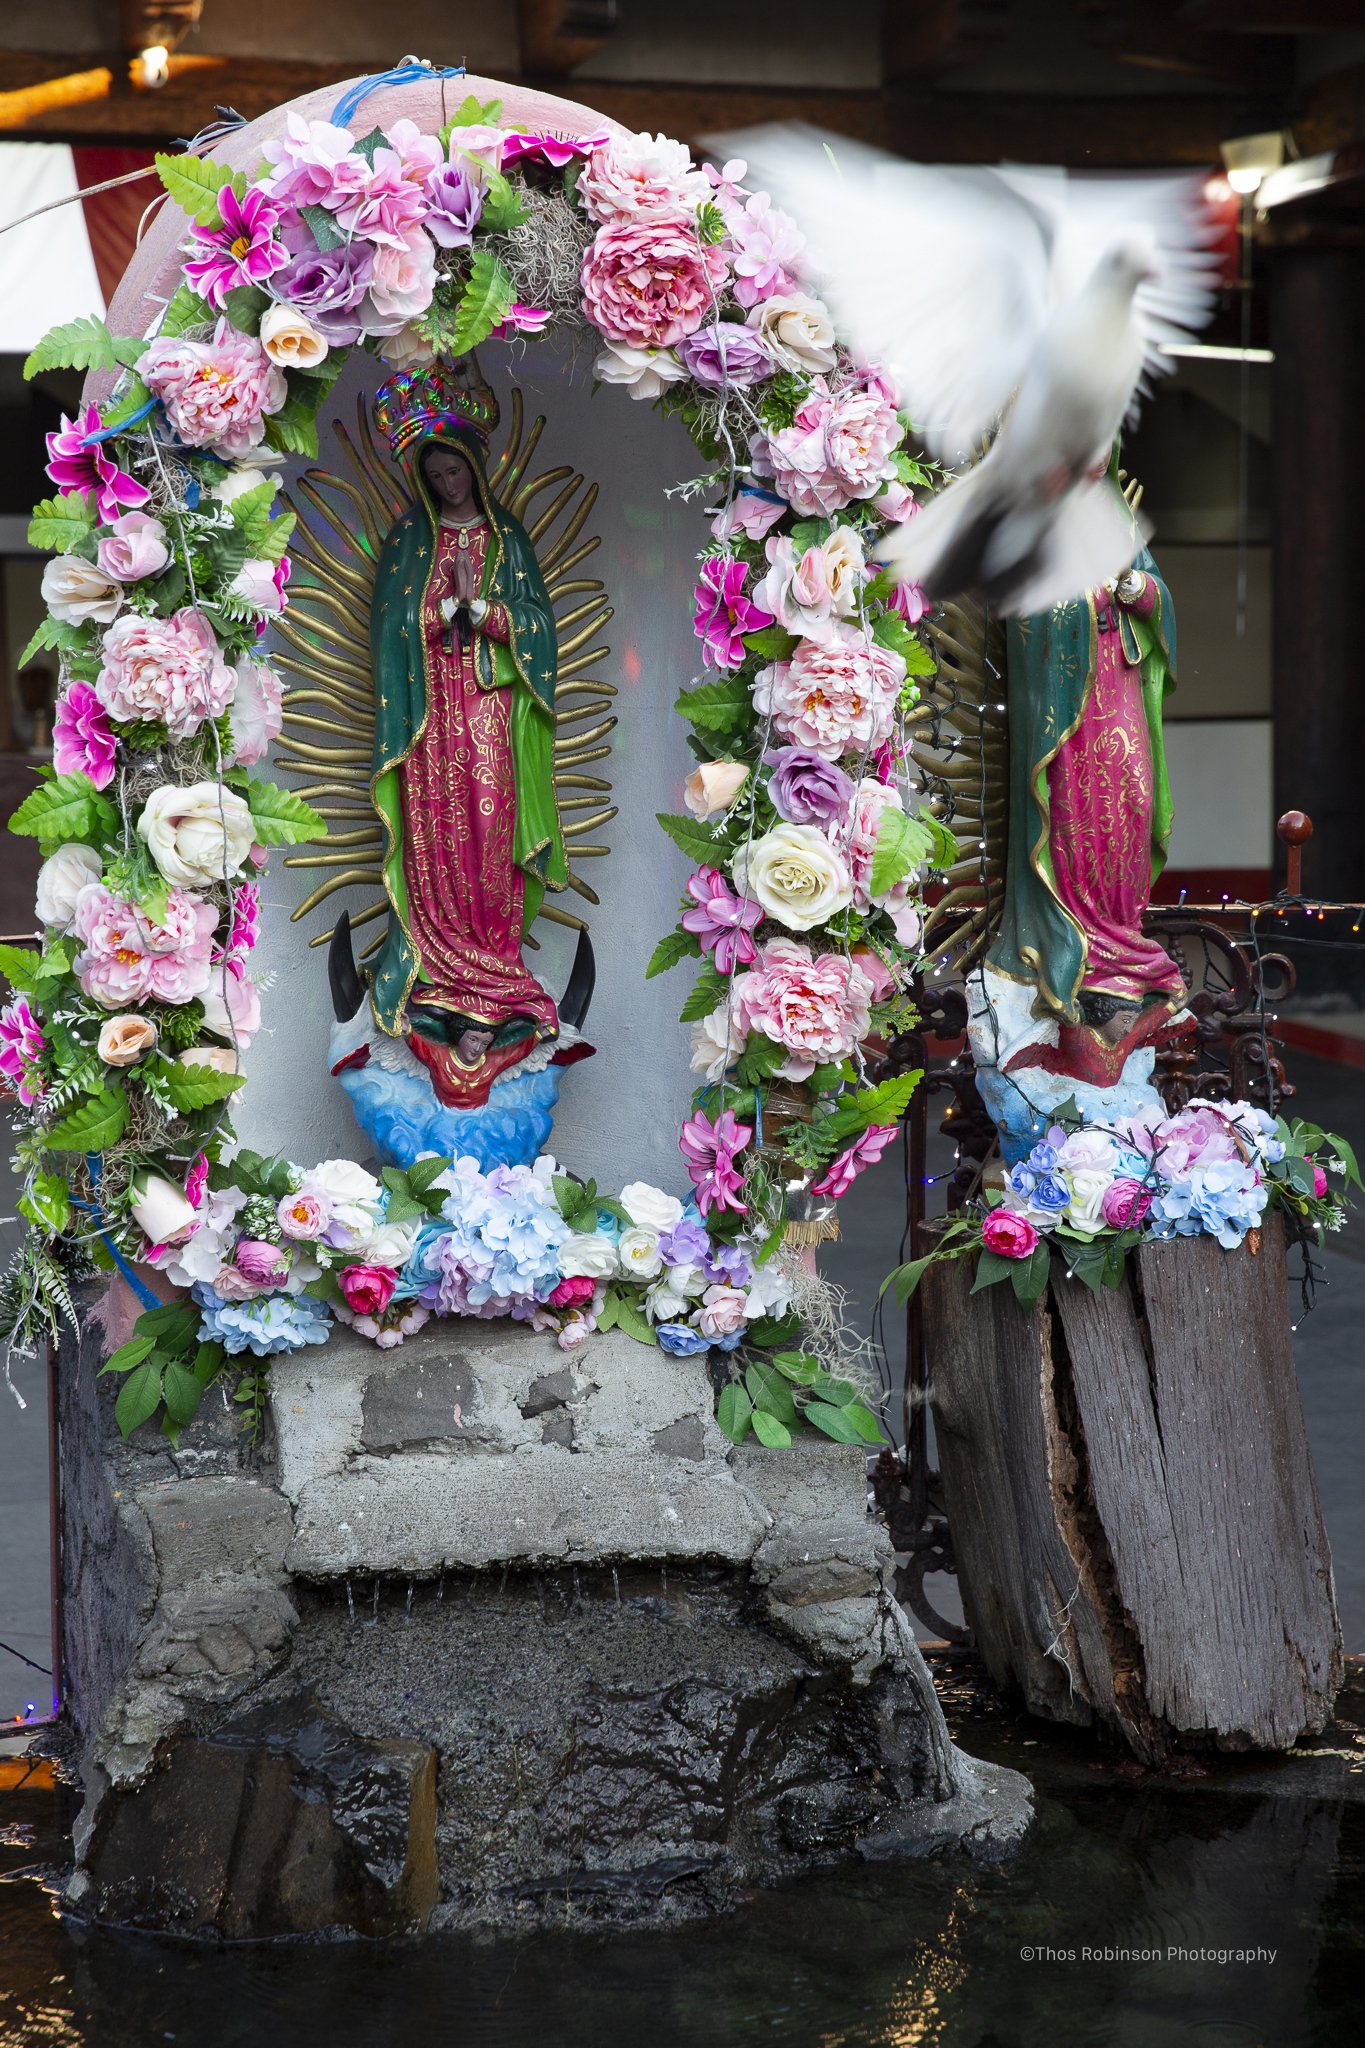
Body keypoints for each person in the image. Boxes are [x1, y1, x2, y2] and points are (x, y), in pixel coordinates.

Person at [367, 364, 567, 1108]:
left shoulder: (506, 536)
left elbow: (540, 627)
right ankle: (440, 973)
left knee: (490, 831)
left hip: (490, 712)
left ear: (474, 468)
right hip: (429, 721)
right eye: (437, 472)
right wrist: (430, 617)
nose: (449, 482)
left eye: (457, 468)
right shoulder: (408, 542)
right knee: (436, 841)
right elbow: (387, 628)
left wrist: (486, 615)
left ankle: (492, 965)